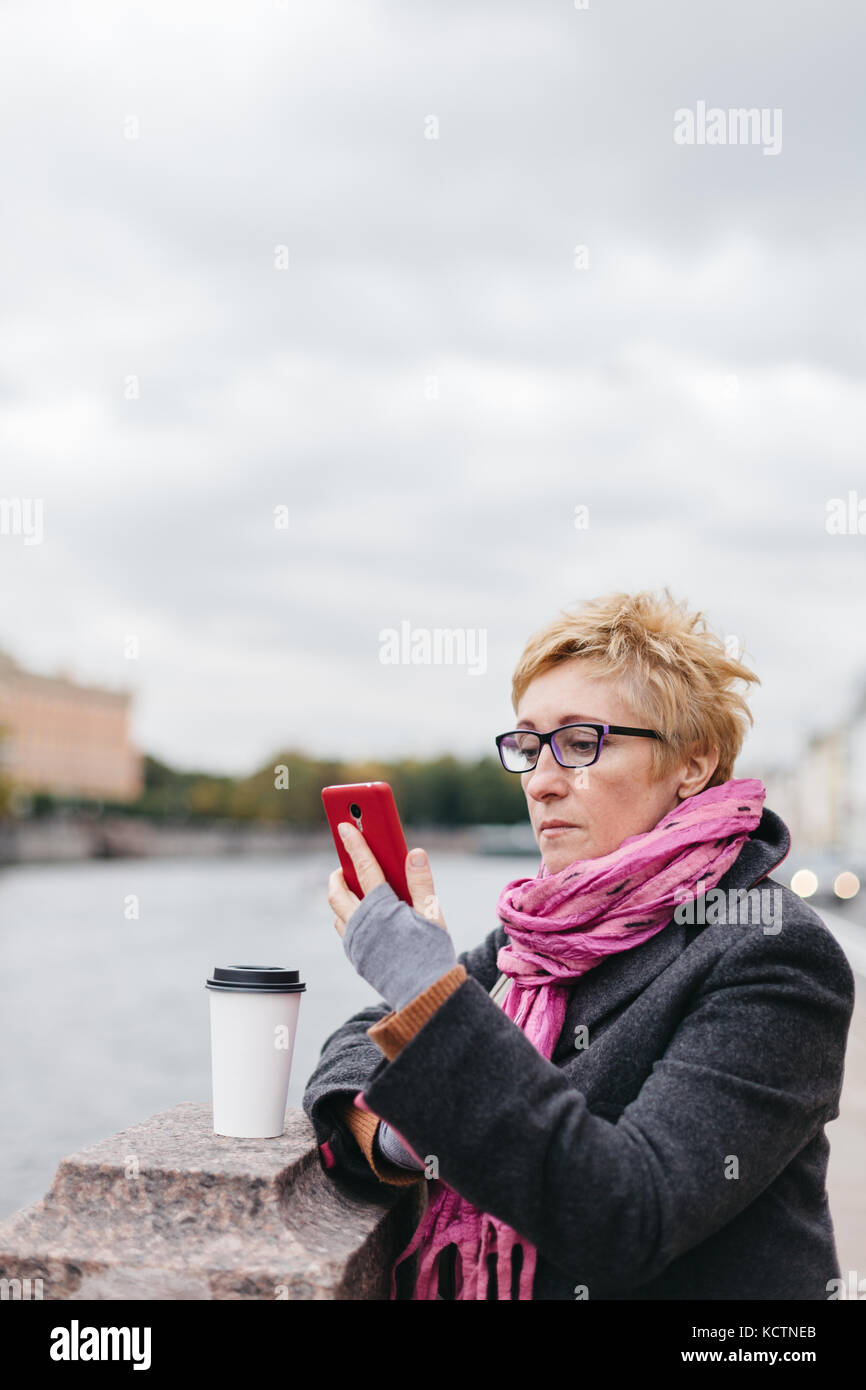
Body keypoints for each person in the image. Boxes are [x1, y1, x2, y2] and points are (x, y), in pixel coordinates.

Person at [302, 589, 855, 1300]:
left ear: (692, 761)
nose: (541, 781)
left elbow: (627, 1217)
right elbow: (350, 1050)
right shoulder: (539, 937)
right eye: (529, 746)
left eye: (580, 743)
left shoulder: (773, 955)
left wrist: (428, 1000)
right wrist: (400, 1135)